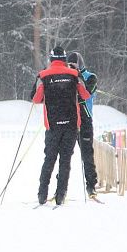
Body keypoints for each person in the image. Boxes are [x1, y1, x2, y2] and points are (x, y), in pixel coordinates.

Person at [31, 47, 91, 205]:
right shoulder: (74, 75)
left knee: (49, 159)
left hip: (52, 125)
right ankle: (61, 195)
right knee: (65, 161)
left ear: (51, 59)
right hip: (71, 125)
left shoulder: (43, 75)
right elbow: (86, 95)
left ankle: (42, 194)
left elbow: (36, 99)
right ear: (64, 59)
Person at [67, 51, 99, 198]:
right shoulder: (67, 75)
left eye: (74, 64)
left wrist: (78, 77)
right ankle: (61, 188)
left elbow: (88, 91)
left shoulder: (90, 77)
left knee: (87, 153)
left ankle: (91, 186)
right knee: (65, 154)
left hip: (85, 118)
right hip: (70, 118)